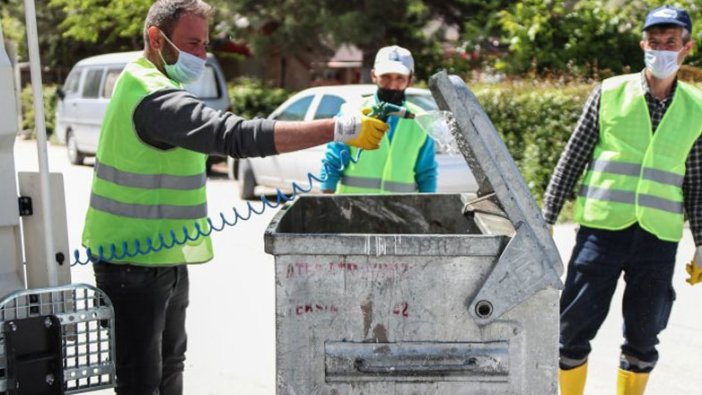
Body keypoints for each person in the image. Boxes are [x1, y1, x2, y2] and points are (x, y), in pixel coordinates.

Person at [80, 1, 389, 393]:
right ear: (156, 39)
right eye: (191, 43)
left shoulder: (159, 85)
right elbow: (236, 136)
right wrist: (338, 128)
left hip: (161, 255)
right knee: (141, 379)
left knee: (170, 366)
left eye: (205, 44)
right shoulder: (152, 96)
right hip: (131, 263)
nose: (201, 56)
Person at [542, 5, 702, 395]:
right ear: (642, 43)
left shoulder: (697, 108)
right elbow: (573, 156)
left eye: (670, 42)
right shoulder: (611, 91)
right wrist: (544, 220)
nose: (661, 49)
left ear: (687, 48)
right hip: (602, 230)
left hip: (657, 239)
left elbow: (697, 182)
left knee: (644, 338)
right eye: (654, 41)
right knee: (572, 329)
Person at [319, 45, 437, 194]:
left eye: (400, 78)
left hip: (401, 211)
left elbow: (426, 172)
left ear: (410, 80)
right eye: (386, 76)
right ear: (374, 76)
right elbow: (332, 161)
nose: (392, 85)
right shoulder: (352, 110)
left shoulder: (420, 119)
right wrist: (325, 204)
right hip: (353, 207)